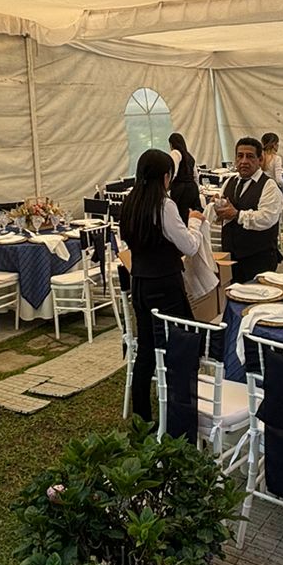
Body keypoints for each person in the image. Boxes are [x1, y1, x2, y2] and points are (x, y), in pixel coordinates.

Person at [118, 149, 202, 425]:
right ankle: (180, 413)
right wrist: (195, 223)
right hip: (165, 284)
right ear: (166, 177)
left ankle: (142, 419)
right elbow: (189, 246)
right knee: (184, 345)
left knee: (146, 352)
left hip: (140, 282)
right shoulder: (164, 205)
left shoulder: (130, 202)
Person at [210, 136, 283, 283]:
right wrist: (217, 207)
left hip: (258, 259)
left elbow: (267, 218)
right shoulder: (229, 182)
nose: (244, 161)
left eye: (250, 156)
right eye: (240, 156)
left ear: (260, 160)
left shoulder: (269, 186)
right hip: (230, 256)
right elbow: (220, 217)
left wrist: (237, 215)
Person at [167, 132, 201, 224]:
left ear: (172, 144)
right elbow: (196, 176)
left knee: (180, 217)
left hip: (181, 189)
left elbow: (173, 171)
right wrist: (196, 189)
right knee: (191, 216)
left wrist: (167, 186)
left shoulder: (175, 153)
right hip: (192, 187)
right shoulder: (190, 156)